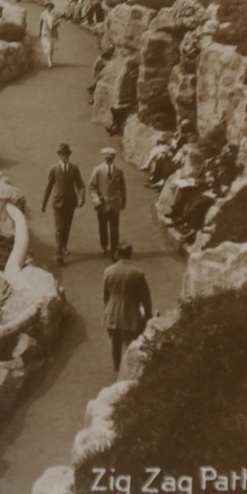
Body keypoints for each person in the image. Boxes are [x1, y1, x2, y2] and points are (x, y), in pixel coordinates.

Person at [102, 244, 152, 373]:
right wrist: (148, 314)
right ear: (130, 255)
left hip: (112, 311)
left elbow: (106, 296)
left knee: (115, 343)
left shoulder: (108, 271)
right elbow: (145, 297)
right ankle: (128, 371)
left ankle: (117, 369)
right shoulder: (138, 273)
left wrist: (107, 309)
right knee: (130, 343)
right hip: (130, 312)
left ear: (117, 254)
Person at [39, 142, 86, 263]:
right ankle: (59, 253)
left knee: (67, 226)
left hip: (71, 203)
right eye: (62, 154)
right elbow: (49, 187)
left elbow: (80, 185)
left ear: (69, 155)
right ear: (59, 155)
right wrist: (43, 203)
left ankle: (63, 246)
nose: (65, 157)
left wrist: (81, 198)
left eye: (67, 154)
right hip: (58, 203)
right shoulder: (54, 169)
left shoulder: (74, 168)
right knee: (59, 228)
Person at [90, 147, 128, 256]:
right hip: (102, 204)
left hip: (114, 204)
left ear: (114, 158)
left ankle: (114, 249)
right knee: (102, 227)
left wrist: (123, 201)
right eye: (107, 158)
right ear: (104, 158)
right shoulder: (97, 170)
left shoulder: (119, 171)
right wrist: (96, 199)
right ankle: (104, 246)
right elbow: (92, 187)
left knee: (115, 228)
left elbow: (122, 188)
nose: (109, 160)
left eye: (111, 158)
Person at [38, 1, 59, 68]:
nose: (49, 7)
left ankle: (50, 58)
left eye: (50, 6)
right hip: (45, 32)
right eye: (48, 6)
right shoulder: (43, 14)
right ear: (46, 7)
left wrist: (56, 24)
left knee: (51, 47)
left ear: (52, 7)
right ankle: (49, 61)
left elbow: (56, 23)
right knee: (48, 46)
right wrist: (40, 31)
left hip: (53, 32)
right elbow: (41, 23)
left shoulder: (54, 14)